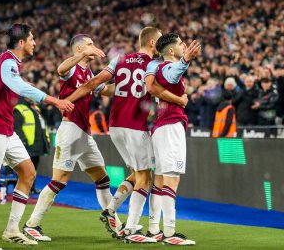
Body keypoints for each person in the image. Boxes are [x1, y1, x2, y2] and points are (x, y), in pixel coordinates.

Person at [65, 27, 187, 243]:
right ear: (152, 44)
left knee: (139, 172)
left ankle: (111, 209)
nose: (160, 47)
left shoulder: (120, 60)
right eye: (158, 42)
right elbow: (156, 89)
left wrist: (68, 100)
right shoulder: (154, 65)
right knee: (145, 177)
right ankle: (132, 228)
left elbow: (96, 85)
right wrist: (180, 99)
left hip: (115, 125)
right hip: (134, 124)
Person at [0, 23, 74, 250]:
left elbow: (16, 84)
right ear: (22, 42)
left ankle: (12, 230)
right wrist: (55, 101)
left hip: (6, 127)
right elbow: (15, 84)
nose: (35, 43)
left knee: (28, 172)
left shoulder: (9, 62)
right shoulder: (7, 61)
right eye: (32, 39)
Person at [23, 34, 117, 242]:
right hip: (70, 130)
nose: (94, 47)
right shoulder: (73, 68)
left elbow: (106, 90)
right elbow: (61, 69)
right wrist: (84, 54)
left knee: (102, 178)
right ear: (79, 49)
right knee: (60, 180)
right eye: (90, 44)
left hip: (84, 133)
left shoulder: (89, 72)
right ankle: (32, 224)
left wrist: (128, 84)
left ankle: (115, 223)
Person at [149, 33, 199, 246]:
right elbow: (171, 75)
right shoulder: (166, 67)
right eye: (180, 44)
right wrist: (186, 60)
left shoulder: (159, 68)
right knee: (171, 179)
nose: (183, 45)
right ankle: (170, 234)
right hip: (170, 126)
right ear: (170, 51)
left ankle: (153, 229)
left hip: (161, 127)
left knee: (159, 180)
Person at [14, 97, 51, 194]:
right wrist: (24, 142)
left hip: (37, 145)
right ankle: (22, 190)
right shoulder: (18, 109)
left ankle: (31, 188)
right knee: (24, 170)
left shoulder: (35, 108)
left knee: (34, 170)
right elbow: (17, 128)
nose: (32, 94)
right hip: (27, 145)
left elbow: (45, 116)